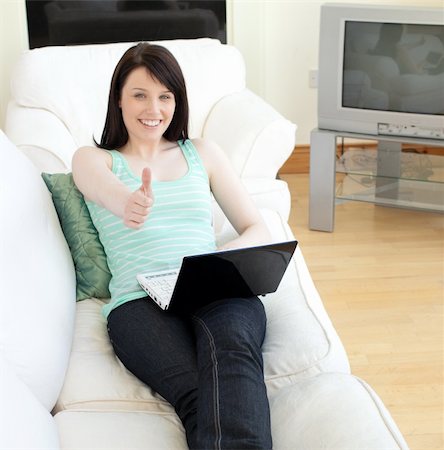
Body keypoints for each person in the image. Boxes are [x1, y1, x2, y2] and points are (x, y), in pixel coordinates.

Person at [72, 42, 273, 450]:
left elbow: (256, 226)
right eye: (140, 94)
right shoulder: (95, 159)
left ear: (177, 101)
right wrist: (126, 202)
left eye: (165, 96)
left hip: (211, 282)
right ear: (118, 99)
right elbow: (104, 190)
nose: (154, 108)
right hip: (138, 300)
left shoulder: (202, 152)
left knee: (232, 360)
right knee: (198, 393)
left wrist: (218, 263)